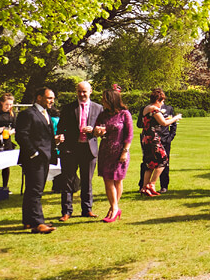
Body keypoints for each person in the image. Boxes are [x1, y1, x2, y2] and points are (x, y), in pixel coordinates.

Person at [15, 87, 61, 233]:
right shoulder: (28, 114)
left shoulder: (46, 113)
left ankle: (28, 221)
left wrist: (55, 140)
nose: (52, 101)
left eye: (53, 98)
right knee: (35, 191)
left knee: (32, 190)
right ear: (39, 97)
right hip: (34, 159)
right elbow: (21, 136)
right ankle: (38, 223)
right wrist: (33, 153)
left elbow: (40, 136)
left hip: (45, 157)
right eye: (49, 98)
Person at [57, 81, 103, 221]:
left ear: (90, 91)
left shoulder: (98, 108)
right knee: (68, 181)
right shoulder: (68, 108)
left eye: (84, 91)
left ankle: (87, 209)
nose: (82, 94)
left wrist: (94, 130)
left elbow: (103, 127)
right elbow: (60, 128)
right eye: (79, 91)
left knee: (87, 181)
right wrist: (60, 136)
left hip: (89, 149)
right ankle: (66, 211)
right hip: (70, 148)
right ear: (76, 92)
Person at [93, 85, 134, 222]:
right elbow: (96, 129)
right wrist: (97, 131)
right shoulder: (103, 114)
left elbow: (129, 135)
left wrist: (125, 151)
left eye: (105, 99)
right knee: (107, 180)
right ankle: (114, 207)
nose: (102, 101)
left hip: (120, 150)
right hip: (105, 150)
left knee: (117, 179)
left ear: (112, 100)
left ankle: (114, 208)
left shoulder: (124, 114)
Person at [139, 88, 182, 197]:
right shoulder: (154, 109)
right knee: (163, 159)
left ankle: (144, 188)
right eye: (162, 101)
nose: (162, 104)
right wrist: (176, 118)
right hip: (153, 138)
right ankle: (152, 184)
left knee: (150, 163)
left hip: (146, 138)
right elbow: (163, 123)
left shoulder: (146, 108)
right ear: (158, 100)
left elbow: (152, 121)